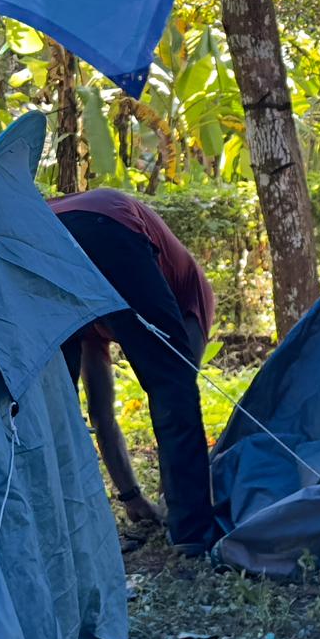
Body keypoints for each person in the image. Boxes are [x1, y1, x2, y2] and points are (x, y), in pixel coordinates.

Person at [50, 188, 216, 552]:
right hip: (106, 223)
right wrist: (175, 492)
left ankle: (56, 529)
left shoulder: (93, 322)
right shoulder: (197, 292)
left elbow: (100, 412)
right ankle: (192, 534)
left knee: (49, 403)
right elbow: (176, 379)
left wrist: (132, 497)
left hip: (41, 232)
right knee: (172, 380)